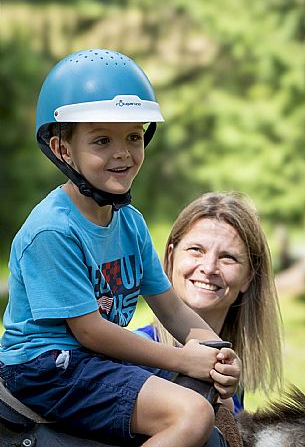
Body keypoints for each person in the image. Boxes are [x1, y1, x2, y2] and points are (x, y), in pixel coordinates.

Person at [0, 49, 241, 447]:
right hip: (47, 367)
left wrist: (216, 352)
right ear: (62, 149)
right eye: (101, 140)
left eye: (133, 136)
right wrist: (182, 358)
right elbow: (90, 331)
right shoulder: (52, 230)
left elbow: (172, 307)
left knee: (204, 410)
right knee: (190, 412)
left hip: (91, 361)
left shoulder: (130, 222)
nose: (122, 153)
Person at [136, 191, 283, 413]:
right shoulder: (134, 356)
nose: (209, 267)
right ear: (171, 257)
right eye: (196, 250)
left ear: (248, 277)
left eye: (228, 257)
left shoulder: (230, 375)